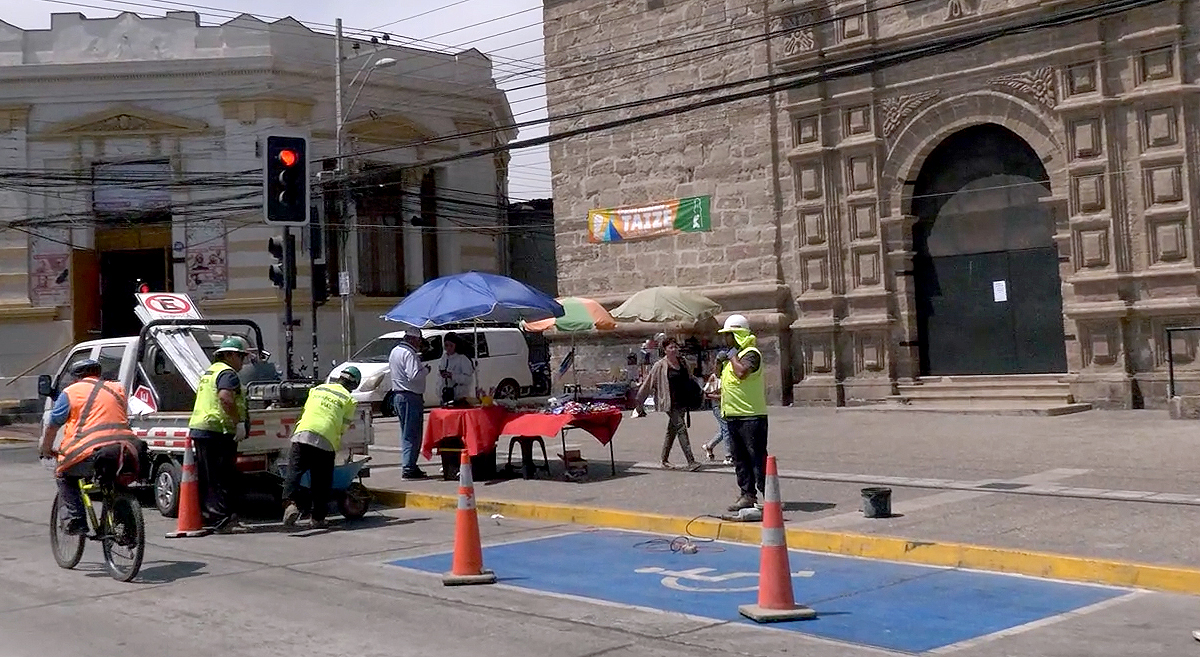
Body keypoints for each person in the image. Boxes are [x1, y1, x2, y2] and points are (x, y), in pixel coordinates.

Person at [38, 359, 145, 536]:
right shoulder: (117, 389)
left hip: (89, 450)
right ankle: (128, 529)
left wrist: (46, 449)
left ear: (75, 378)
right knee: (116, 482)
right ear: (98, 374)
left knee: (64, 475)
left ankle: (76, 521)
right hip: (127, 448)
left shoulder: (71, 392)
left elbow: (52, 426)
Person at [282, 367, 362, 529]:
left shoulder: (317, 389)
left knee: (294, 472)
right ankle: (317, 518)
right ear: (353, 385)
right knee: (321, 482)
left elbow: (306, 411)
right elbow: (343, 428)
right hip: (325, 439)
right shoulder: (349, 399)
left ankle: (289, 503)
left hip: (302, 433)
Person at [188, 335, 251, 534]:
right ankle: (223, 521)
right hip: (218, 431)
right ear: (230, 355)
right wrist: (238, 423)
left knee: (210, 478)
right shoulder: (228, 373)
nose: (243, 362)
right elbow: (225, 398)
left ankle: (210, 518)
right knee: (223, 478)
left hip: (202, 429)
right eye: (241, 357)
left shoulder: (209, 372)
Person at [717, 314, 769, 512]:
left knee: (756, 458)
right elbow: (719, 375)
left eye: (728, 335)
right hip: (733, 415)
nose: (725, 339)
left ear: (736, 335)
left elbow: (741, 372)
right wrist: (720, 361)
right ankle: (747, 494)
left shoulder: (751, 353)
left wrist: (731, 356)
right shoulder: (735, 356)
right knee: (740, 459)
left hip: (751, 415)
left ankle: (768, 494)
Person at [634, 337, 702, 471]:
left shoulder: (683, 362)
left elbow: (690, 378)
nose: (674, 349)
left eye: (675, 347)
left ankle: (664, 459)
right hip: (669, 402)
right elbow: (648, 383)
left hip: (683, 401)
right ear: (664, 350)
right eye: (671, 347)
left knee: (672, 430)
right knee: (681, 428)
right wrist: (639, 402)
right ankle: (691, 461)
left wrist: (700, 391)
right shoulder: (660, 365)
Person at [389, 327, 431, 480]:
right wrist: (426, 370)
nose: (420, 344)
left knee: (406, 433)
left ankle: (409, 464)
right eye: (419, 340)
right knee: (413, 434)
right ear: (414, 339)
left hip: (398, 395)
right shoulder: (409, 353)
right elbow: (414, 376)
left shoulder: (395, 351)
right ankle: (409, 467)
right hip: (410, 396)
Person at [701, 371, 732, 465]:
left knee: (725, 429)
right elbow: (705, 392)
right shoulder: (714, 377)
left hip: (728, 406)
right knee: (726, 428)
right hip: (717, 406)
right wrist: (717, 396)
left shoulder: (730, 374)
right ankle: (728, 456)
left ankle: (709, 446)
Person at [437, 333, 474, 404]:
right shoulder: (444, 358)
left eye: (451, 345)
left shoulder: (463, 359)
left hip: (459, 397)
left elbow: (468, 379)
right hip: (445, 395)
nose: (448, 348)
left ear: (456, 345)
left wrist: (452, 376)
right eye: (446, 345)